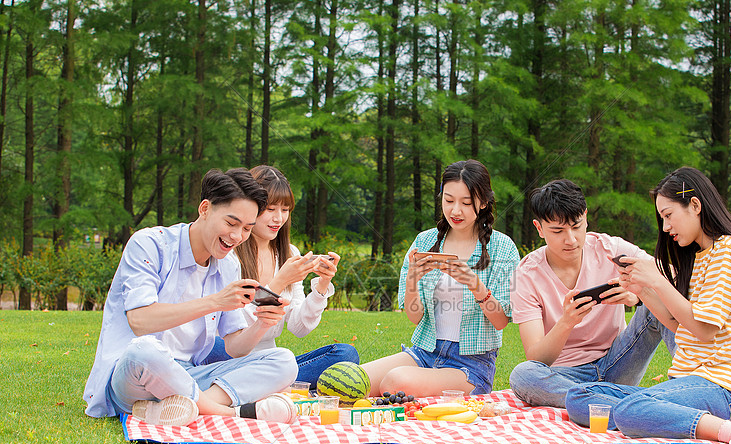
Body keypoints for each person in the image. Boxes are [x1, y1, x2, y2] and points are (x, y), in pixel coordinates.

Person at [564, 166, 731, 444]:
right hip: (687, 382)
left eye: (668, 215)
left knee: (630, 411)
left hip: (718, 388)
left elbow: (704, 330)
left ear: (695, 205)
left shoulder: (730, 252)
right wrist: (641, 290)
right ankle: (678, 415)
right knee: (579, 398)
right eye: (662, 218)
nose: (665, 227)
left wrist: (656, 279)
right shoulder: (698, 256)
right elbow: (682, 327)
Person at [83, 168, 299, 426]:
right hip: (134, 376)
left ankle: (179, 407)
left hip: (190, 375)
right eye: (231, 223)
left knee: (284, 360)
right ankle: (227, 413)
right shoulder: (150, 244)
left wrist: (261, 323)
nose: (237, 236)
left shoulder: (227, 265)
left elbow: (234, 347)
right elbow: (140, 321)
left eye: (246, 228)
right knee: (145, 349)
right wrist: (215, 302)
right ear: (205, 209)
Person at [508, 179, 676, 408]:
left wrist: (638, 296)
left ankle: (688, 386)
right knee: (523, 375)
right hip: (566, 376)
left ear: (585, 217)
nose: (571, 239)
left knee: (658, 306)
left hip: (619, 362)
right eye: (558, 231)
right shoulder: (527, 274)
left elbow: (670, 274)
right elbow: (537, 358)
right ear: (539, 228)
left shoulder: (610, 249)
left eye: (577, 226)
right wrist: (566, 322)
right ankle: (639, 402)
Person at [360, 159, 520, 397]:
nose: (456, 211)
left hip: (471, 367)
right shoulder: (424, 241)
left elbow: (501, 321)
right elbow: (415, 317)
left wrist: (474, 284)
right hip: (424, 353)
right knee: (352, 379)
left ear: (484, 202)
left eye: (466, 203)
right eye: (448, 200)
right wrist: (412, 281)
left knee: (394, 381)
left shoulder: (503, 248)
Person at [204, 165, 359, 386]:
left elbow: (299, 327)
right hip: (229, 356)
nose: (278, 218)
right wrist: (278, 283)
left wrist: (322, 286)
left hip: (272, 361)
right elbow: (233, 331)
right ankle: (270, 383)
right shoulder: (229, 252)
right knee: (215, 347)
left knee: (345, 355)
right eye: (271, 209)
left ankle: (263, 383)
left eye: (285, 210)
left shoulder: (289, 253)